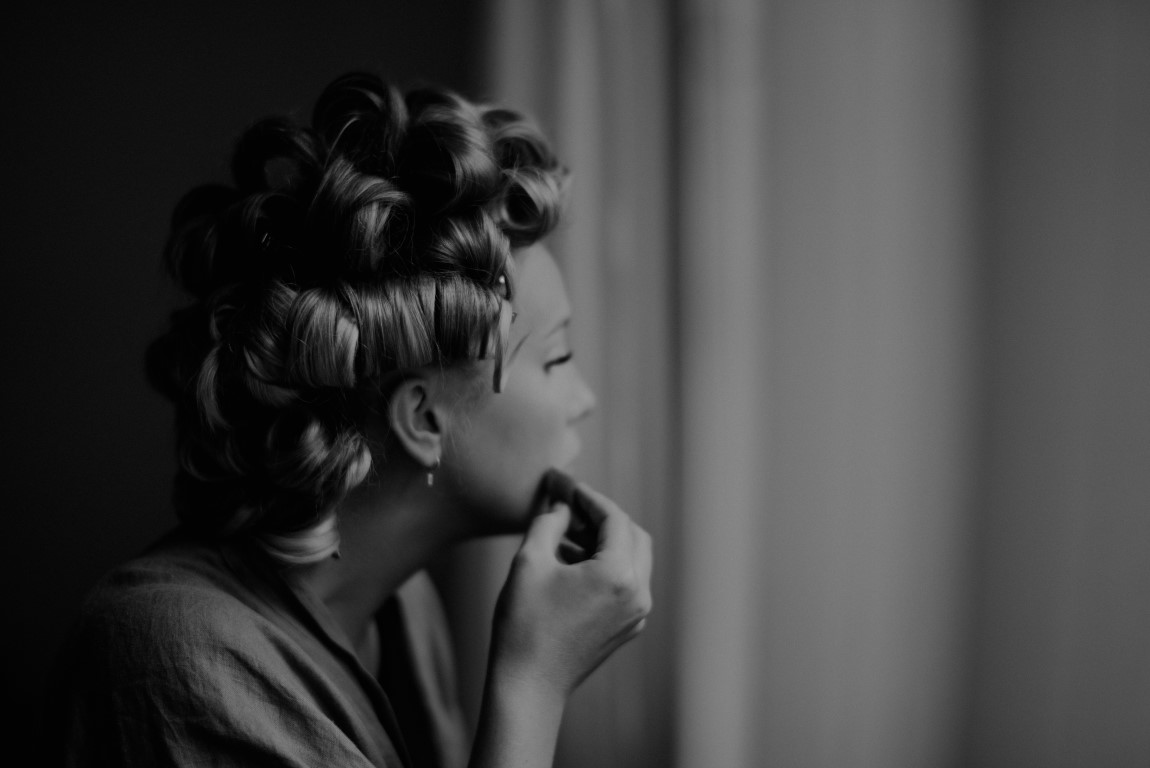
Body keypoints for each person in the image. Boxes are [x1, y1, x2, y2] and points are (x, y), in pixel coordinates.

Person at [45, 72, 653, 768]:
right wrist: (535, 683)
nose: (585, 398)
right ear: (422, 419)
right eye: (557, 358)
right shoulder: (171, 654)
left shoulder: (402, 609)